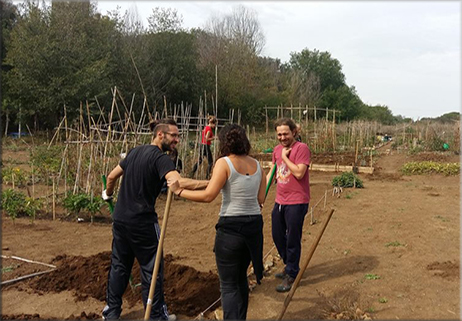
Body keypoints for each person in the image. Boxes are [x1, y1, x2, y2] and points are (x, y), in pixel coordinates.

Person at [101, 118, 208, 320]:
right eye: (174, 136)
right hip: (143, 223)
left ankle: (111, 312)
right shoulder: (160, 159)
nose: (177, 140)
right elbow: (177, 182)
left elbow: (111, 177)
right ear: (160, 135)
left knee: (119, 266)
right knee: (152, 267)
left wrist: (107, 193)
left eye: (177, 136)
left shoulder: (133, 152)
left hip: (121, 220)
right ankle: (157, 315)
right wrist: (212, 182)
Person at [168, 124, 266, 320]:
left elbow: (208, 196)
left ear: (223, 142)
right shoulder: (258, 165)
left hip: (231, 230)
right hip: (253, 228)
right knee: (241, 280)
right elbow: (261, 199)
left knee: (228, 285)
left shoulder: (224, 163)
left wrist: (179, 191)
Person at [266, 118, 311, 293]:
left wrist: (285, 157)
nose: (282, 137)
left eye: (285, 133)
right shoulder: (277, 150)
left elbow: (299, 173)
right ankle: (290, 264)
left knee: (293, 238)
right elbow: (274, 172)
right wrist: (263, 193)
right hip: (280, 200)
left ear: (294, 132)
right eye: (279, 134)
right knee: (277, 235)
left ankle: (291, 272)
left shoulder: (302, 149)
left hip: (297, 200)